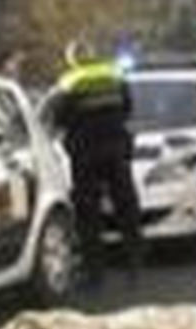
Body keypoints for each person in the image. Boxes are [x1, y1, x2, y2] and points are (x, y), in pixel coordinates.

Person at [54, 40, 144, 287]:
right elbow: (128, 108)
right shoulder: (114, 74)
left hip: (86, 153)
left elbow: (60, 118)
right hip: (116, 150)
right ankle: (134, 266)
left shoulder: (70, 81)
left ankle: (96, 274)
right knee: (126, 207)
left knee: (88, 213)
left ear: (73, 60)